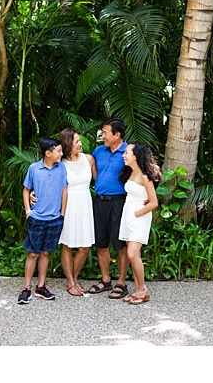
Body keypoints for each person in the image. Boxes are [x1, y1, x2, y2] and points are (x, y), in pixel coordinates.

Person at [84, 118, 131, 299]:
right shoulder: (98, 151)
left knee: (120, 245)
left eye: (105, 133)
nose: (102, 136)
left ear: (117, 135)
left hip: (119, 203)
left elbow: (143, 175)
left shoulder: (128, 152)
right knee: (101, 243)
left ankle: (121, 283)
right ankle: (105, 280)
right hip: (99, 202)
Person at [19, 137, 68, 304]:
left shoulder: (61, 168)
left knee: (46, 253)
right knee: (33, 253)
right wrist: (28, 211)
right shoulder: (34, 169)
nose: (61, 154)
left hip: (55, 219)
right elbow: (26, 191)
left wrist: (62, 214)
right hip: (36, 218)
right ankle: (26, 288)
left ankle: (41, 287)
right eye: (59, 151)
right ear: (48, 153)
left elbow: (64, 190)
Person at [118, 143, 161, 305]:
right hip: (128, 214)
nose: (124, 155)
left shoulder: (144, 176)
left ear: (136, 155)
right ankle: (137, 290)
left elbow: (154, 202)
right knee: (134, 254)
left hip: (139, 216)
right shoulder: (131, 172)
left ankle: (142, 289)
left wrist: (137, 213)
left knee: (131, 254)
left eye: (127, 152)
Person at [57, 128, 97, 296]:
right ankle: (70, 282)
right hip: (69, 204)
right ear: (68, 144)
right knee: (67, 245)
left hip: (85, 204)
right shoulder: (60, 164)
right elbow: (50, 184)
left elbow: (99, 182)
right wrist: (32, 193)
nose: (81, 144)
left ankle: (74, 278)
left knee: (85, 246)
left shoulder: (89, 159)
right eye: (77, 142)